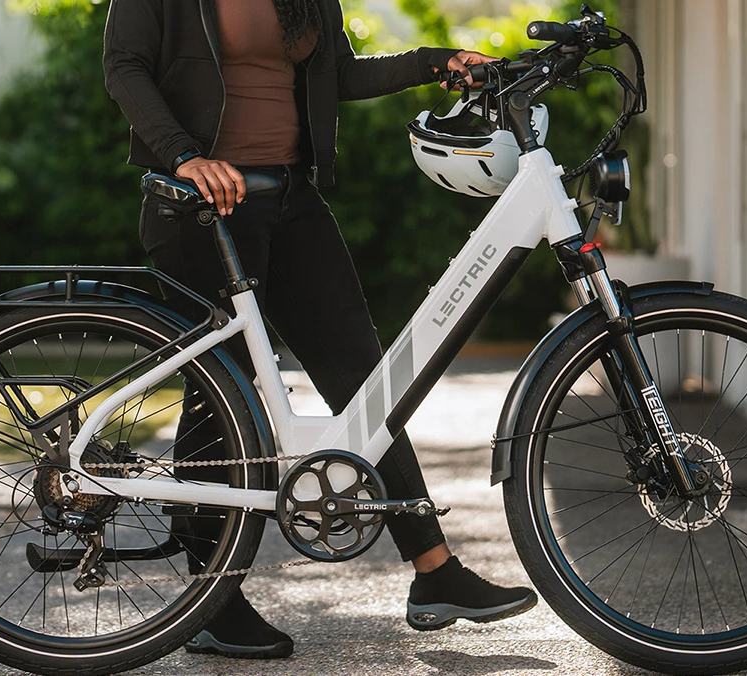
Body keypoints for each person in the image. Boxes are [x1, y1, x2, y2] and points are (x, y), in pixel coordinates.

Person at [103, 0, 536, 659]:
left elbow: (339, 73)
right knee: (224, 395)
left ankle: (435, 572)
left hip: (290, 197)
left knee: (369, 383)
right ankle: (210, 601)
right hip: (203, 204)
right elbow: (124, 67)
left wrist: (433, 65)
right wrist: (184, 155)